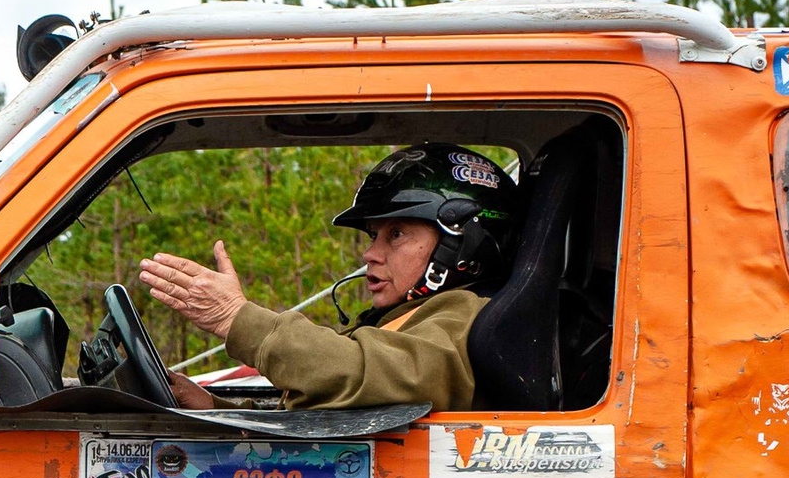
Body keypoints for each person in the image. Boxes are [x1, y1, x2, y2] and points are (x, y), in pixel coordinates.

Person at [134, 142, 518, 411]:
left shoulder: (467, 316)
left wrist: (237, 320)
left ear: (465, 245)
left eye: (396, 234)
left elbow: (360, 372)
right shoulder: (410, 319)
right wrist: (212, 408)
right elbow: (335, 417)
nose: (370, 253)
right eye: (373, 236)